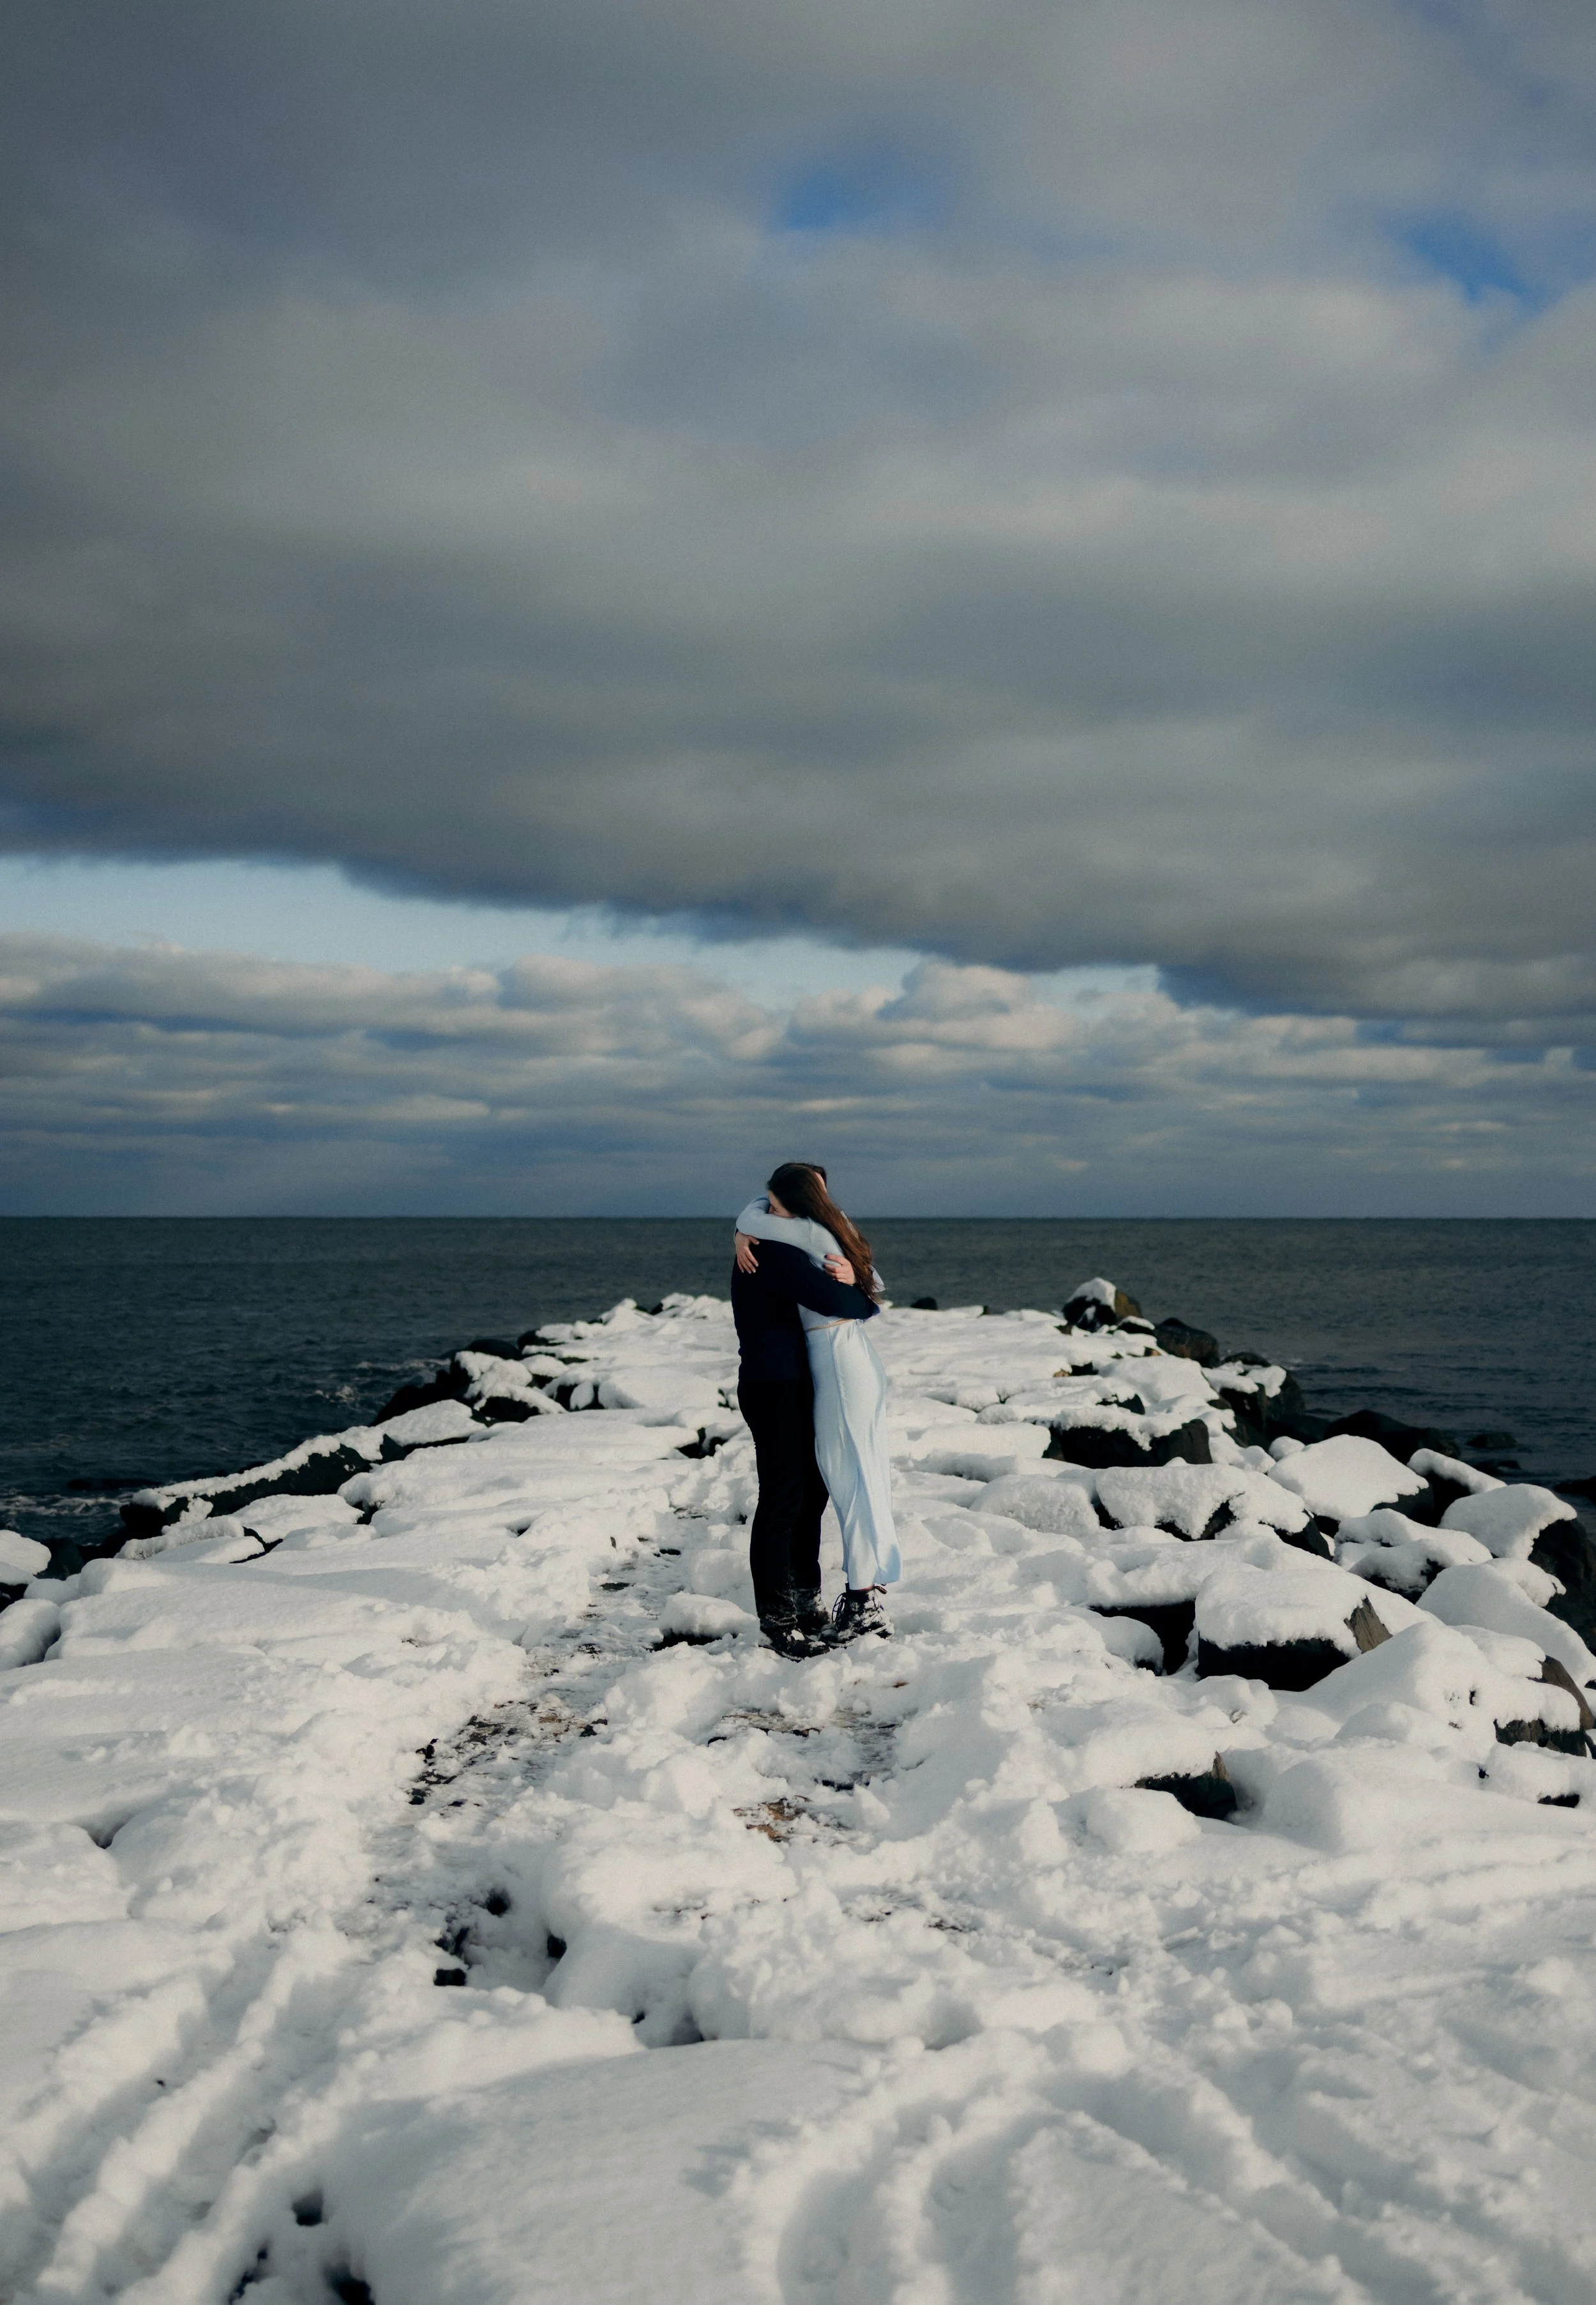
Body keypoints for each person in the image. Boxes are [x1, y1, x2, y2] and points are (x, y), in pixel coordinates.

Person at [734, 1162, 900, 1644]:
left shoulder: (799, 1237)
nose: (771, 1211)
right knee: (784, 1499)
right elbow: (841, 1303)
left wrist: (861, 1278)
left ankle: (808, 1599)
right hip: (774, 1383)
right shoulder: (773, 1248)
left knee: (811, 1495)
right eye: (769, 1204)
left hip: (801, 1379)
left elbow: (849, 1285)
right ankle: (778, 1616)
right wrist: (865, 1299)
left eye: (777, 1205)